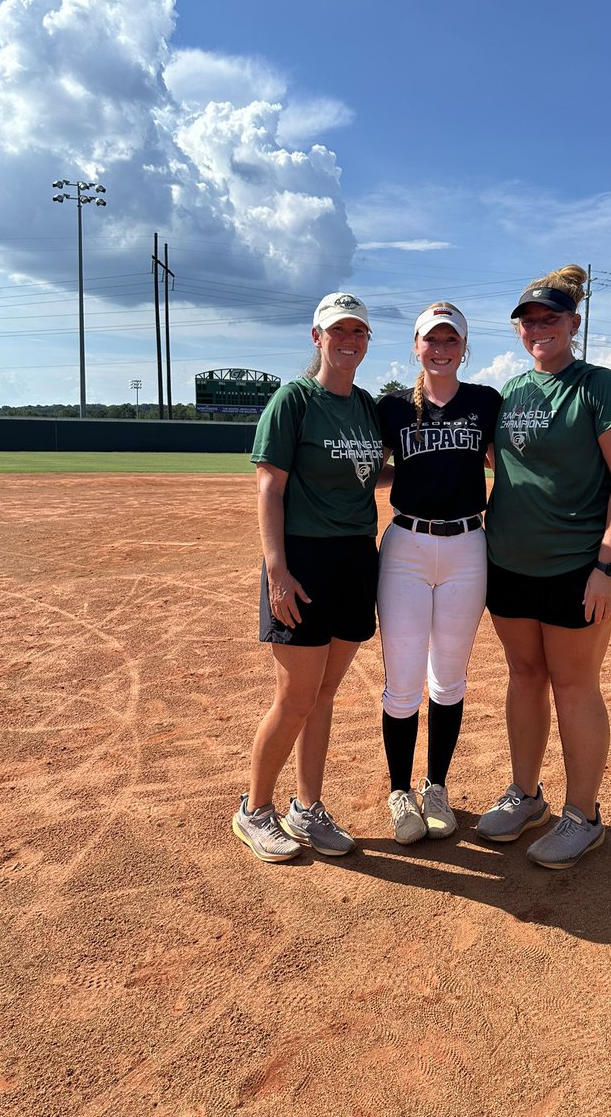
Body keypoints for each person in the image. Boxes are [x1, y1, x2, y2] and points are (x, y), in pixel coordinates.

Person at [477, 265, 611, 870]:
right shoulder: (512, 392)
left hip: (578, 567)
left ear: (574, 323)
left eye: (550, 318)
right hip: (508, 562)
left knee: (575, 686)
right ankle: (526, 795)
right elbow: (503, 463)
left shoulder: (601, 387)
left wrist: (610, 565)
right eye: (528, 321)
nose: (537, 328)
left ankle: (583, 815)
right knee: (524, 676)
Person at [232, 292, 384, 863]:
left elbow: (370, 470)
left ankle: (308, 807)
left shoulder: (366, 405)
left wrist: (439, 469)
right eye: (337, 330)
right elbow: (269, 486)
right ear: (317, 337)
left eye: (358, 331)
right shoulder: (293, 400)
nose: (349, 339)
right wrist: (277, 569)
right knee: (295, 697)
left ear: (367, 341)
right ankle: (255, 810)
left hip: (355, 557)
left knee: (324, 694)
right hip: (303, 560)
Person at [376, 302, 500, 844]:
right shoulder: (392, 407)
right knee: (403, 683)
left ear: (464, 348)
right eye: (432, 339)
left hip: (467, 546)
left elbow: (508, 462)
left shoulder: (485, 402)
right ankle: (399, 791)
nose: (441, 349)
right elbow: (368, 465)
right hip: (405, 545)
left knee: (448, 679)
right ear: (416, 346)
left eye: (451, 340)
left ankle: (436, 788)